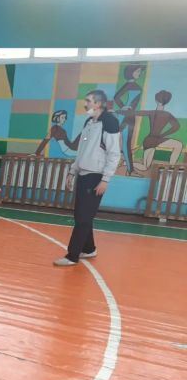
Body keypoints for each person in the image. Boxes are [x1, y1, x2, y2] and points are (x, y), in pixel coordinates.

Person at [53, 90, 121, 266]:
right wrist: (72, 171)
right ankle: (89, 249)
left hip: (96, 176)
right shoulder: (89, 122)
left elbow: (114, 154)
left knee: (83, 217)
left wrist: (105, 180)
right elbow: (82, 151)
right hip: (83, 174)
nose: (85, 104)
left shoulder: (110, 122)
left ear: (98, 104)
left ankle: (72, 256)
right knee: (82, 215)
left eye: (88, 101)